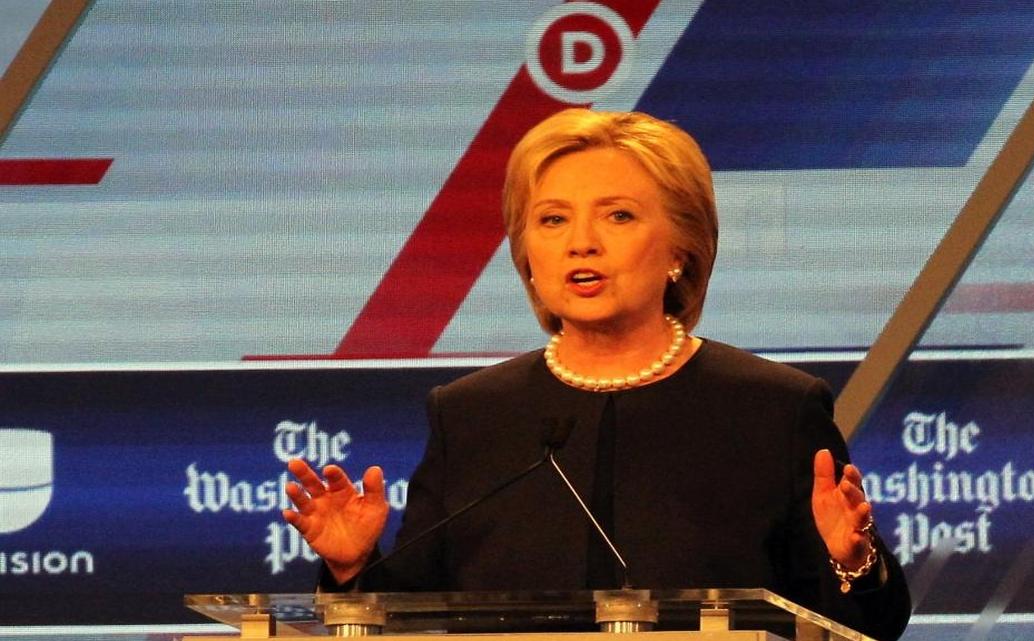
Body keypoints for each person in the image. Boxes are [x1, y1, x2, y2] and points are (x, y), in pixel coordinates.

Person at [283, 109, 910, 640]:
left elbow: (869, 626)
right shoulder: (471, 414)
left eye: (618, 216)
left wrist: (853, 563)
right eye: (553, 219)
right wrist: (352, 569)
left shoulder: (772, 407)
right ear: (527, 254)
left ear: (680, 249)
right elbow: (412, 618)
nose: (581, 243)